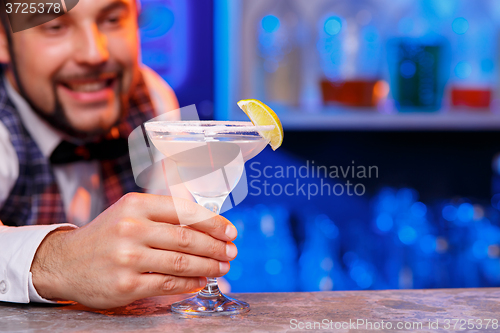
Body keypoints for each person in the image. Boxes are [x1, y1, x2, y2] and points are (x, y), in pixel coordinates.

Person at [0, 0, 238, 309]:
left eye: (112, 19)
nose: (94, 54)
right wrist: (58, 260)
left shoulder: (150, 99)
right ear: (4, 40)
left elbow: (172, 268)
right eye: (54, 26)